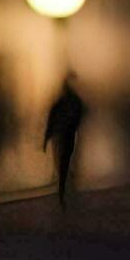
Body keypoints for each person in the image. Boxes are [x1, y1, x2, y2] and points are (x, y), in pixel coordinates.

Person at [43, 74, 86, 209]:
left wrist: (47, 138)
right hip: (69, 135)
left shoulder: (61, 103)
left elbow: (52, 120)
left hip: (62, 135)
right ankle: (67, 190)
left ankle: (63, 192)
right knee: (67, 162)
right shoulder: (75, 101)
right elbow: (81, 115)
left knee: (63, 164)